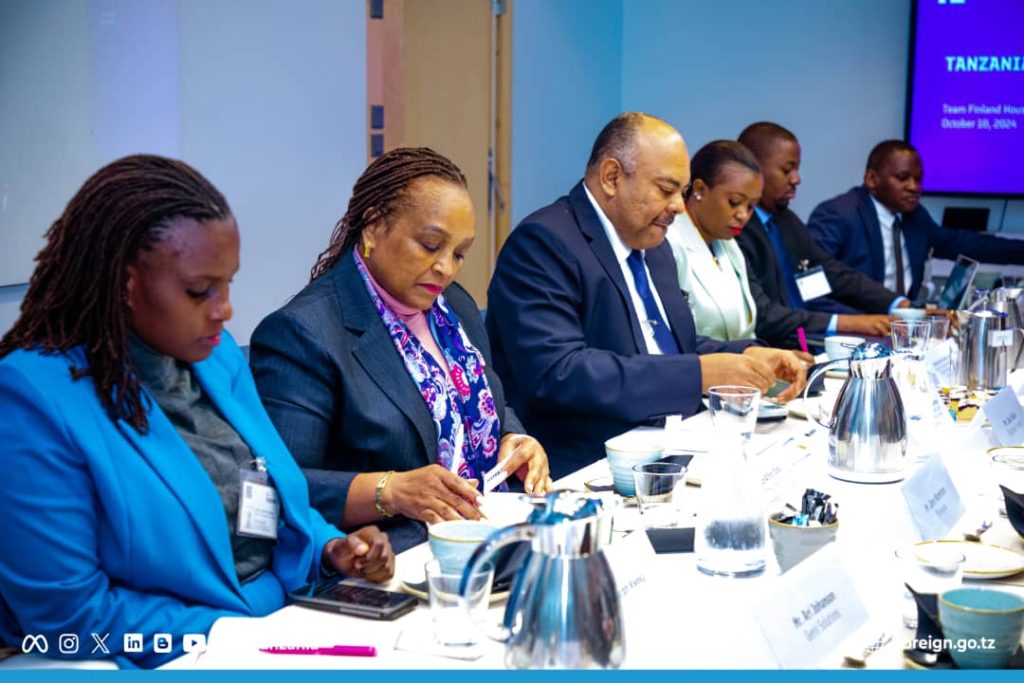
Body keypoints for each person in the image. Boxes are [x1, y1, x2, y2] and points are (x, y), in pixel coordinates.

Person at [0, 155, 394, 669]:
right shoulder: (32, 396)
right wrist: (234, 636)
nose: (224, 309)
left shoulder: (216, 356)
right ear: (124, 282)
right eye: (199, 291)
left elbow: (267, 500)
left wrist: (330, 549)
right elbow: (69, 618)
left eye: (228, 284)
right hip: (164, 654)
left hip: (282, 625)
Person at [249, 148, 551, 553]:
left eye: (459, 253)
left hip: (489, 531)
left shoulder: (454, 306)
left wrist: (513, 438)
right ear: (374, 227)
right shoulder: (303, 332)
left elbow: (480, 401)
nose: (446, 268)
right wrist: (389, 491)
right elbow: (278, 487)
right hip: (389, 555)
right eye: (430, 245)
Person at [486, 113, 808, 478]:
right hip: (590, 463)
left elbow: (672, 346)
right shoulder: (545, 242)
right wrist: (699, 374)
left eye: (681, 193)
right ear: (611, 177)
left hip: (674, 443)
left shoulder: (653, 244)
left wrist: (746, 354)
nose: (679, 207)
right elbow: (560, 373)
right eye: (666, 190)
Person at [734, 122, 904, 348]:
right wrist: (847, 323)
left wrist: (897, 304)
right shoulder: (736, 229)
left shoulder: (785, 221)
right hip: (772, 349)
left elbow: (830, 273)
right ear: (754, 168)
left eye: (797, 169)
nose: (796, 179)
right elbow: (763, 315)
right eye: (787, 170)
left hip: (808, 340)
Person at [807, 140, 1024, 303]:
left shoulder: (916, 217)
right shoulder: (837, 215)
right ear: (872, 179)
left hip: (903, 327)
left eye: (918, 179)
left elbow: (966, 244)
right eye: (903, 178)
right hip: (855, 329)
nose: (914, 187)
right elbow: (811, 288)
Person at [665, 140, 761, 342]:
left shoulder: (729, 245)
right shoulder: (669, 241)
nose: (743, 215)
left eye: (751, 206)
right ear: (699, 189)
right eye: (734, 202)